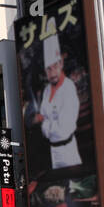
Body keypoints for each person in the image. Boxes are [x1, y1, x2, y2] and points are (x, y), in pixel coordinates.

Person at [33, 35, 82, 170]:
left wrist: (47, 125)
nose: (52, 72)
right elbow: (42, 114)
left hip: (68, 150)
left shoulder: (68, 88)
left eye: (55, 66)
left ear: (61, 64)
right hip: (53, 152)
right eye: (48, 69)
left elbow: (63, 129)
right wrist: (48, 122)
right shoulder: (47, 90)